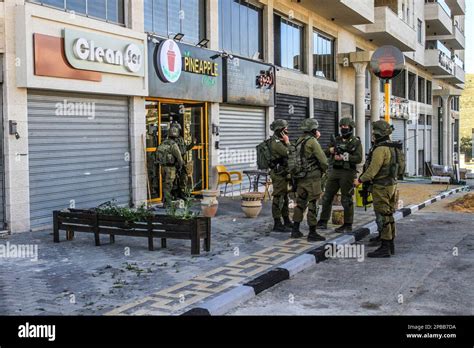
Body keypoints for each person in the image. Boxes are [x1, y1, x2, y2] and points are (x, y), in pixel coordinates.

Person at [354, 120, 398, 258]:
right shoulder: (394, 146)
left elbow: (372, 170)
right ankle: (390, 244)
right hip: (391, 185)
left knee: (384, 215)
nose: (372, 134)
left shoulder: (380, 149)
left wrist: (359, 180)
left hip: (381, 187)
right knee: (389, 214)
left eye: (374, 132)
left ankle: (385, 247)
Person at [317, 118, 363, 233]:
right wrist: (331, 150)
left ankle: (348, 224)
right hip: (335, 171)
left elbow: (358, 158)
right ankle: (323, 221)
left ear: (351, 128)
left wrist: (345, 157)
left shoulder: (355, 142)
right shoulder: (336, 139)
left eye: (345, 126)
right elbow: (325, 152)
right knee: (327, 196)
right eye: (341, 126)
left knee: (346, 199)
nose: (343, 128)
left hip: (348, 172)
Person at [292, 119, 328, 241]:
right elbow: (323, 160)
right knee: (313, 204)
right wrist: (324, 171)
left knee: (300, 204)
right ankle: (312, 233)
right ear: (313, 130)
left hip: (300, 178)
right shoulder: (312, 142)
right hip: (312, 179)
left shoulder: (298, 140)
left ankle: (295, 229)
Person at [268, 119, 293, 232]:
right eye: (285, 128)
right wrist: (287, 142)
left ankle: (286, 220)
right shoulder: (276, 143)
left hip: (283, 173)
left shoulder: (279, 141)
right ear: (280, 130)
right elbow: (290, 152)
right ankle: (277, 223)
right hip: (278, 174)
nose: (287, 130)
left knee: (285, 198)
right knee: (278, 197)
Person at [169, 123, 195, 199]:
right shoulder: (170, 140)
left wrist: (192, 144)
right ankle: (175, 195)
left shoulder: (181, 139)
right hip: (175, 162)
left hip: (182, 161)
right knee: (174, 180)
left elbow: (185, 148)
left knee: (183, 178)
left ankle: (183, 194)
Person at [160, 126, 184, 207]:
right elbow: (179, 158)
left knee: (165, 184)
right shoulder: (173, 145)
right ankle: (167, 202)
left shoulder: (163, 142)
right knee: (168, 185)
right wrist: (181, 166)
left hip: (163, 167)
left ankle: (165, 200)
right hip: (170, 168)